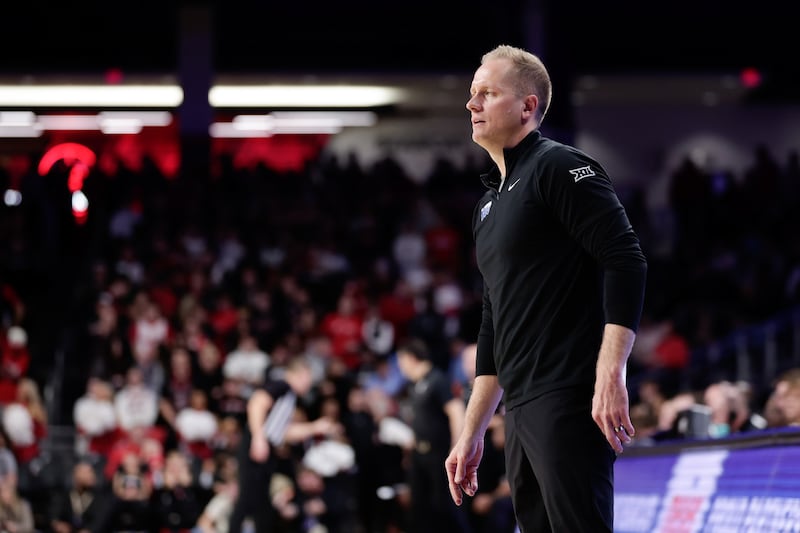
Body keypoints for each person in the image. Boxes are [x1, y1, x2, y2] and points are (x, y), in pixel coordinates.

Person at [445, 44, 648, 533]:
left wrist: (611, 374)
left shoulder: (558, 166)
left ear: (527, 106)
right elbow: (493, 320)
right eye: (472, 93)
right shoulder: (487, 206)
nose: (472, 103)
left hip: (568, 396)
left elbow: (625, 259)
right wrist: (473, 430)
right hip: (520, 408)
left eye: (487, 93)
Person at [227, 355, 342, 533]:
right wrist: (258, 438)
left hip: (267, 451)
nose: (310, 384)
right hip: (256, 449)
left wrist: (315, 427)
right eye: (309, 378)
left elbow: (282, 432)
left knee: (262, 504)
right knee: (247, 500)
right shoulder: (282, 386)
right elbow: (256, 403)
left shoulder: (290, 396)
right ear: (301, 373)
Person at [396, 338, 469, 533]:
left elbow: (456, 412)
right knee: (419, 508)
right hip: (418, 455)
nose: (400, 368)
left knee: (445, 507)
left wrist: (455, 447)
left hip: (438, 453)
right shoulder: (414, 385)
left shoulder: (438, 380)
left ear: (411, 358)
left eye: (401, 362)